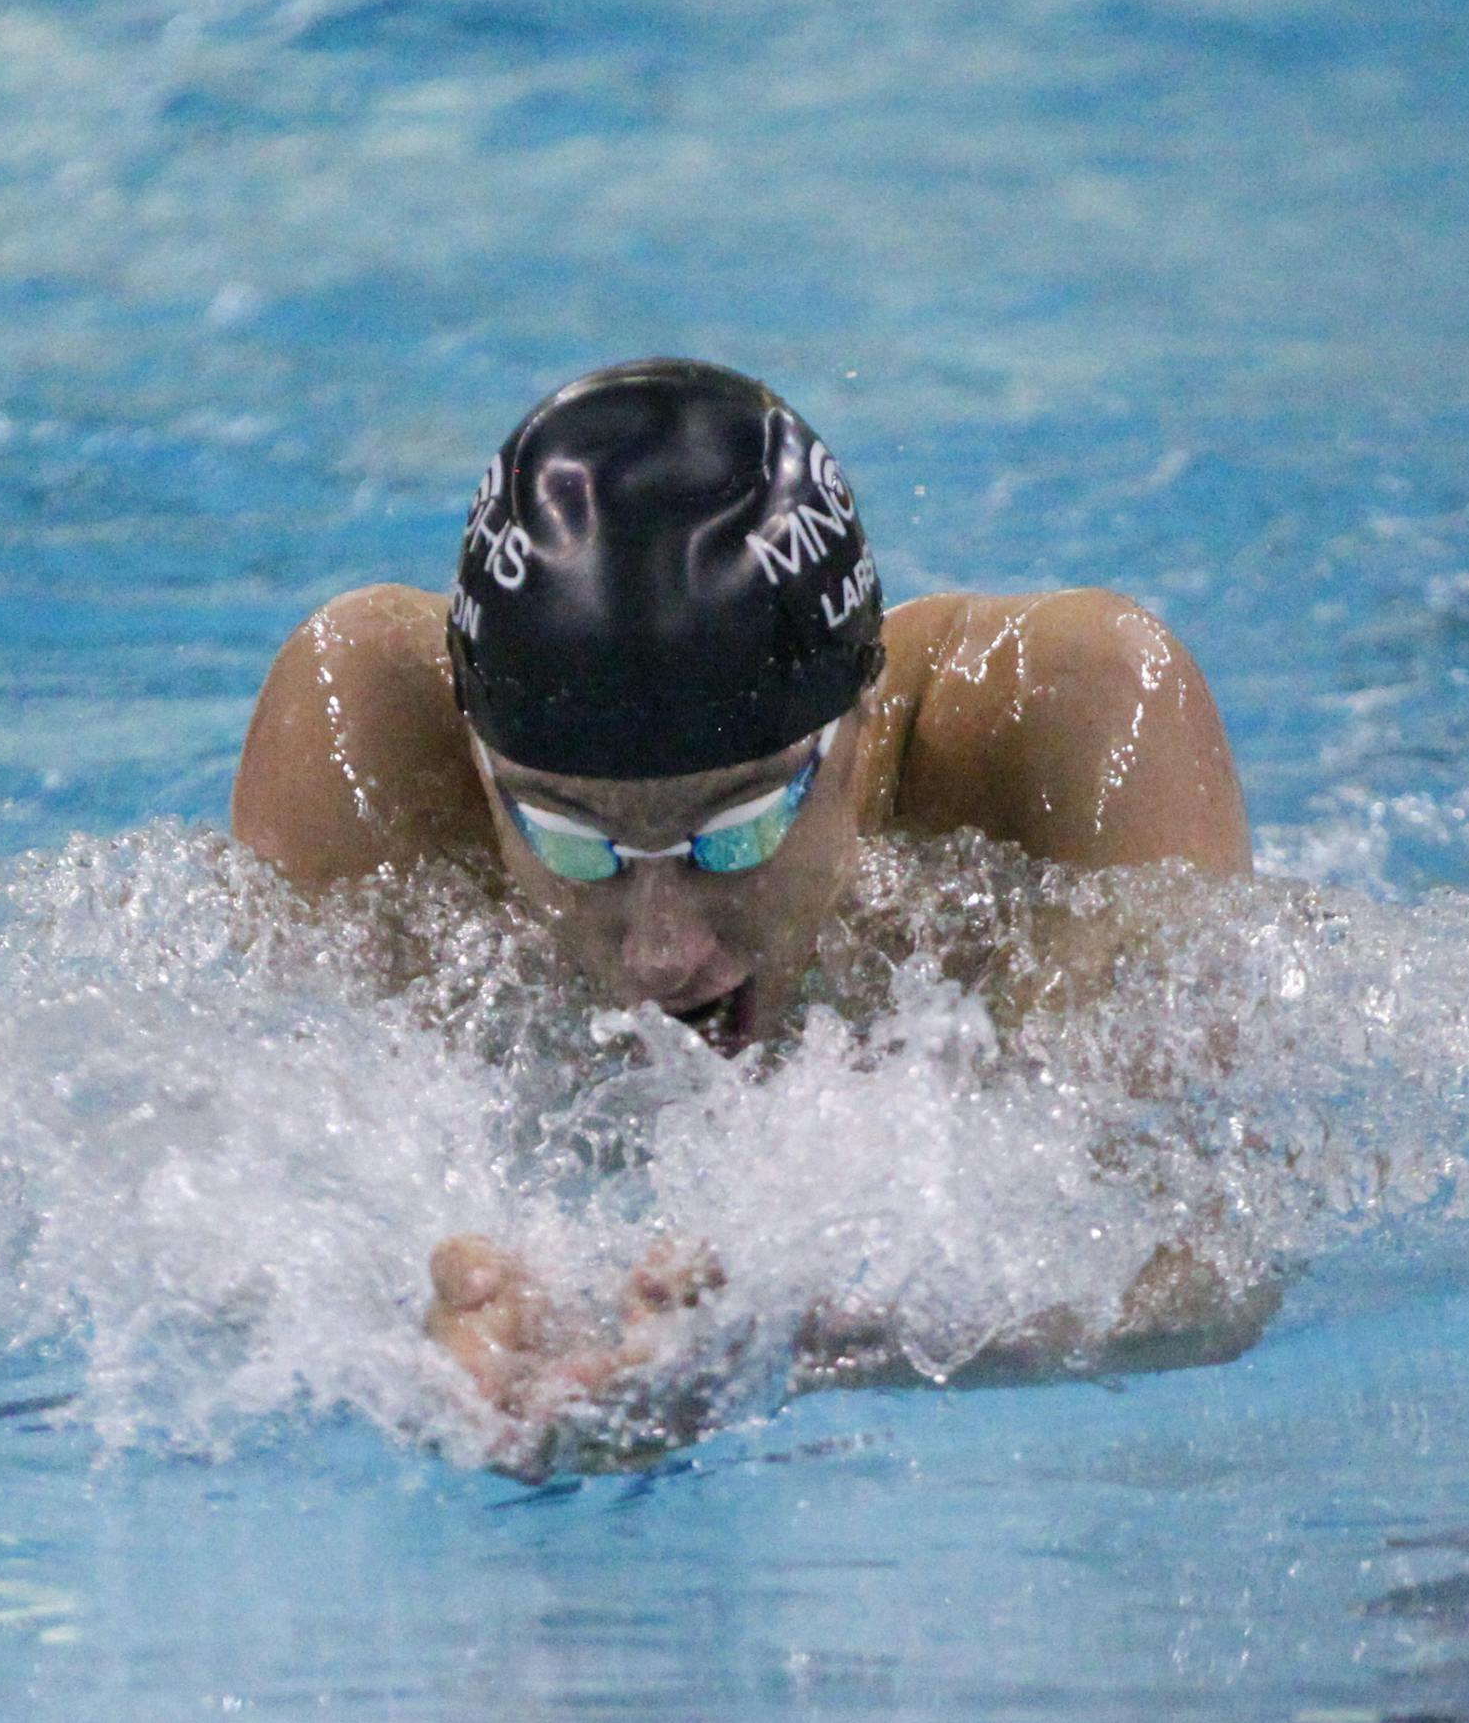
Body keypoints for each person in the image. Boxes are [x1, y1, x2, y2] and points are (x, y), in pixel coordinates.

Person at [232, 359, 1257, 1462]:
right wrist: (411, 1327)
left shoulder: (1065, 726)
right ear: (478, 768)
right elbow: (256, 1203)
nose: (662, 948)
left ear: (861, 704)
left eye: (740, 829)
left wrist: (812, 1336)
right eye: (573, 840)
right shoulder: (375, 751)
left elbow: (1199, 1266)